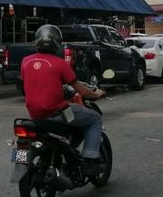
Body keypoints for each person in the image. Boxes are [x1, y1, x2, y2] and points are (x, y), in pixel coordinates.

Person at [20, 24, 106, 172]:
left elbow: (35, 81)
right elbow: (82, 92)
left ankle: (68, 152)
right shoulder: (60, 64)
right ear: (57, 42)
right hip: (57, 114)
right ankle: (90, 160)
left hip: (35, 116)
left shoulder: (25, 61)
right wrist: (96, 94)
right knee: (95, 119)